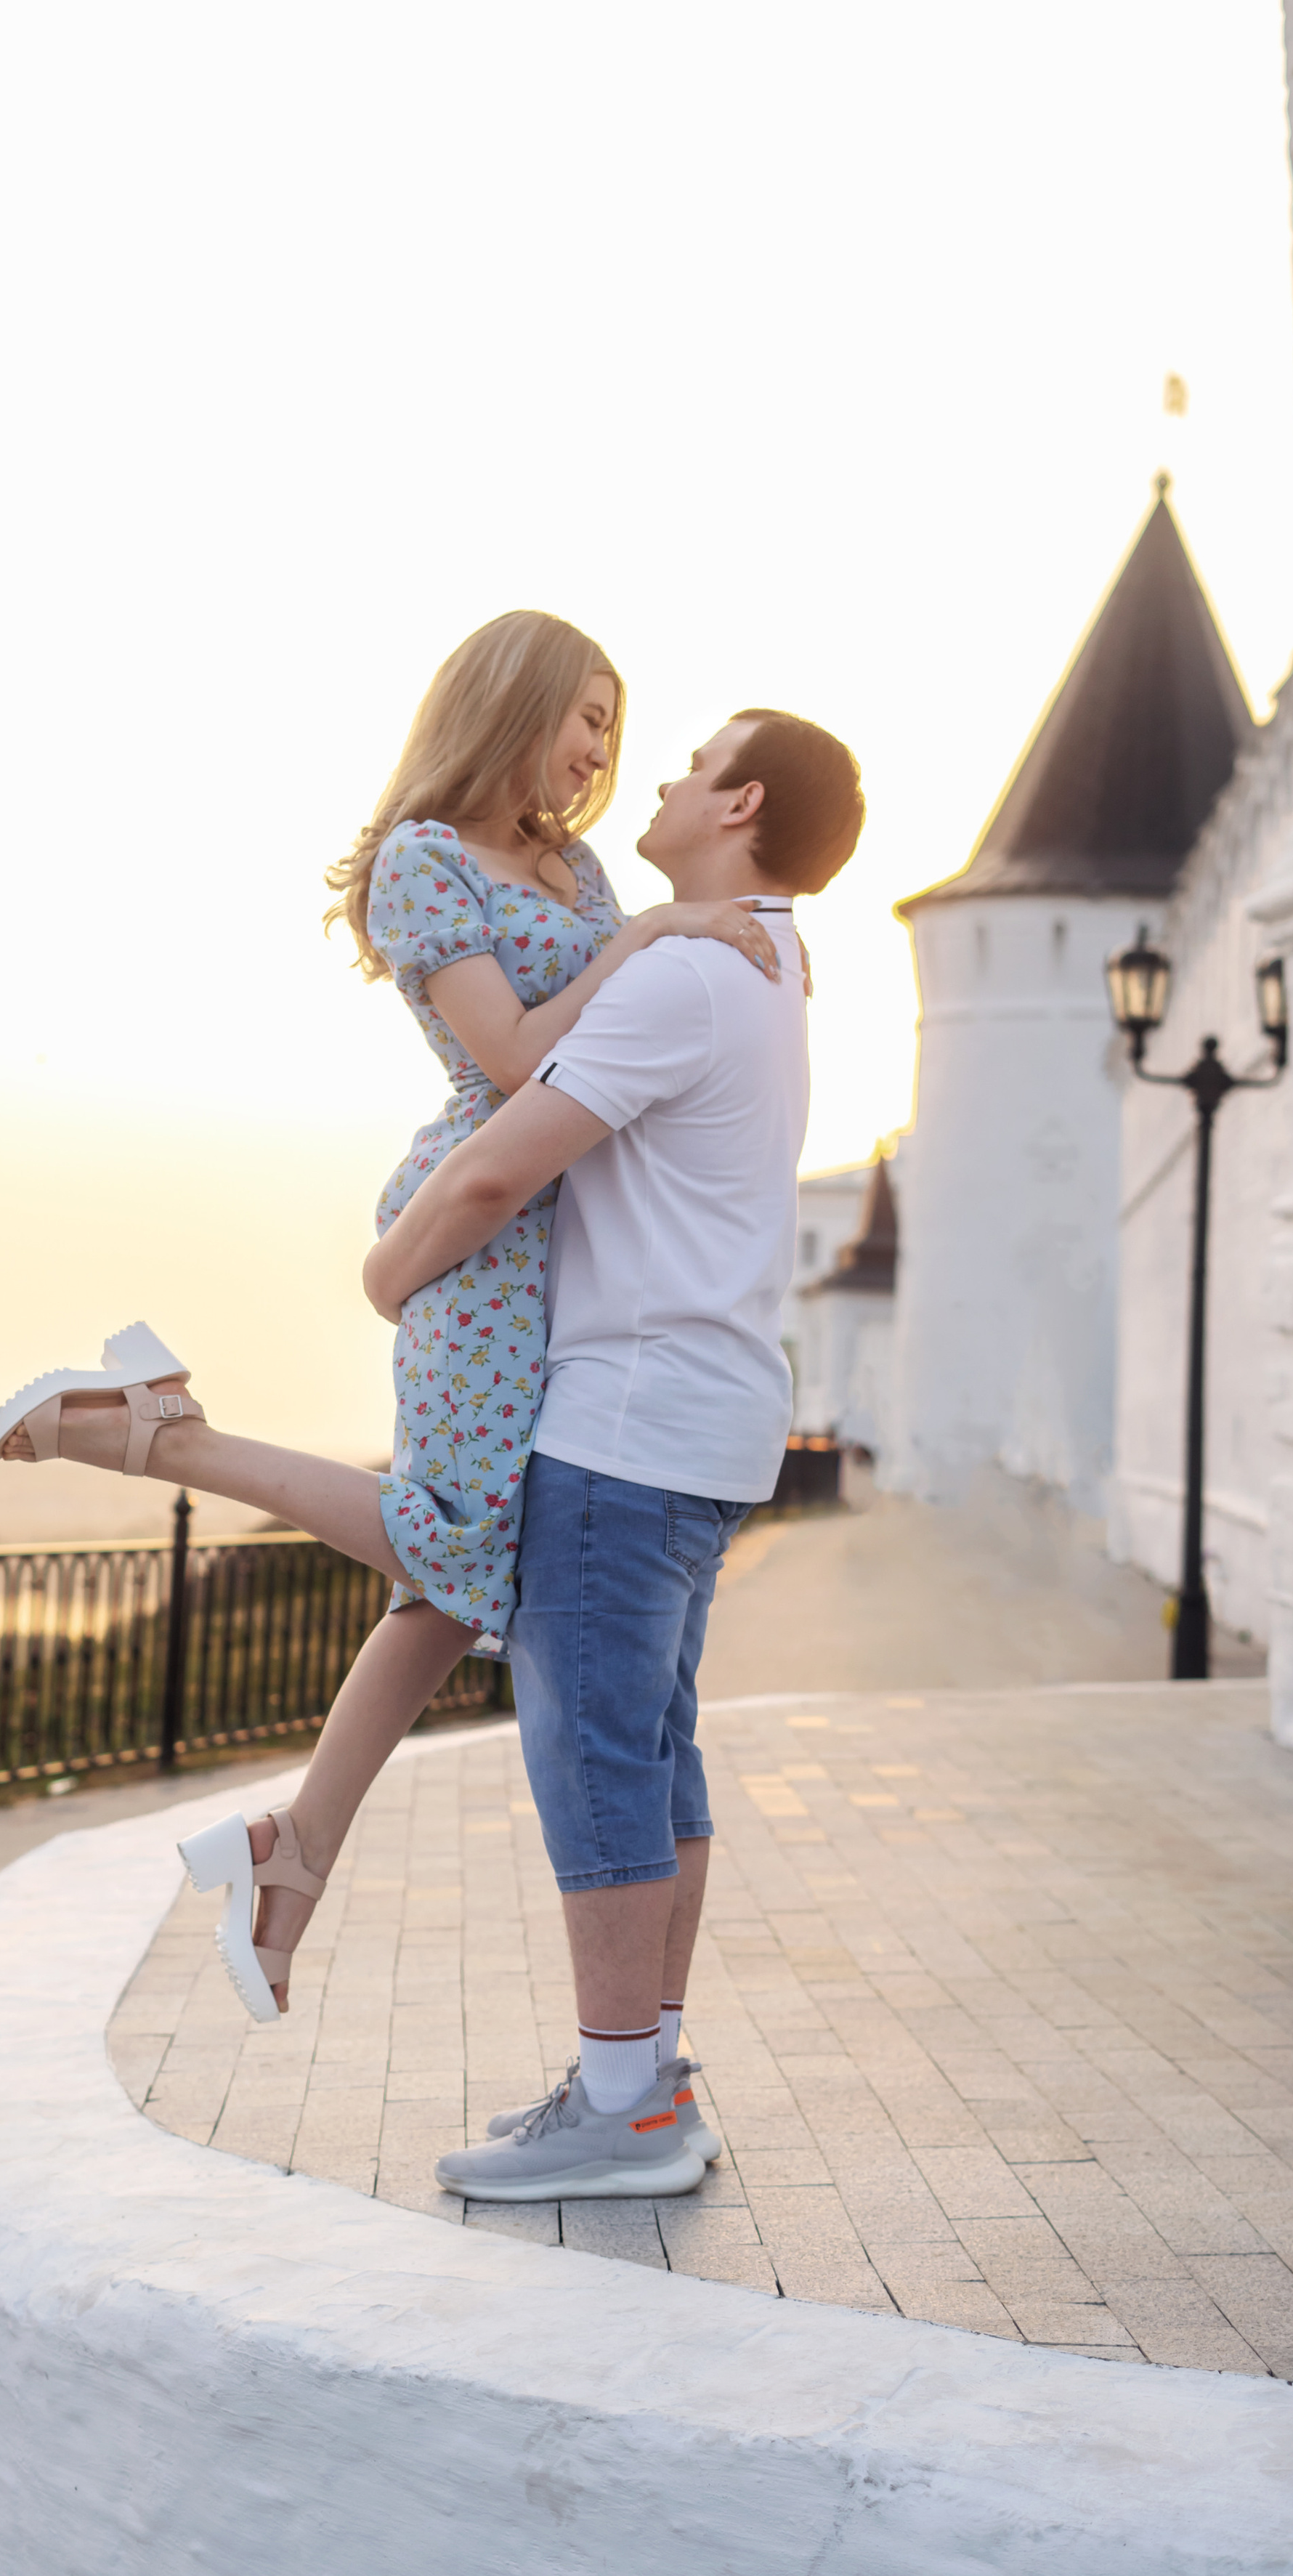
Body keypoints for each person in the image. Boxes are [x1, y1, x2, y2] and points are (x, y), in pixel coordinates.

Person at [0, 612, 781, 2021]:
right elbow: (522, 1055)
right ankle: (158, 1438)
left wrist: (648, 931)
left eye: (614, 721)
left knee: (451, 1576)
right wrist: (654, 936)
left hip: (562, 1237)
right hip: (477, 1234)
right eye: (582, 712)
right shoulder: (424, 862)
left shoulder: (572, 862)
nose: (601, 748)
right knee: (466, 1551)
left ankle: (289, 1859)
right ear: (508, 701)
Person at [357, 708, 865, 2201]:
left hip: (625, 1431)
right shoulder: (765, 968)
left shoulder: (698, 976)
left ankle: (626, 2106)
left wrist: (385, 1275)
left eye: (689, 762)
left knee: (591, 1758)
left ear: (740, 800)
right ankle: (641, 2069)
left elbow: (504, 1162)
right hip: (706, 1424)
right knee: (650, 1755)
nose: (653, 777)